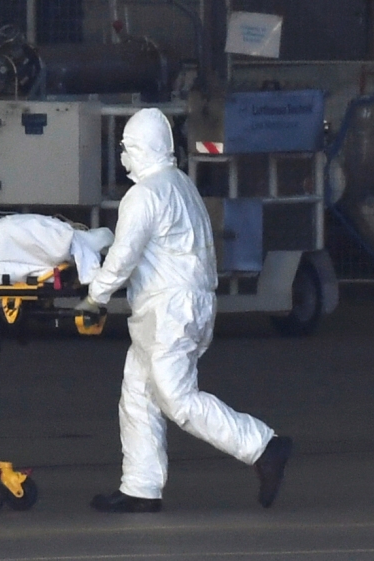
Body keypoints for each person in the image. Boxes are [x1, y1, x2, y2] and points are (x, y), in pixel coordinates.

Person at [74, 107, 293, 513]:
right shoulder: (180, 184)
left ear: (141, 148)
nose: (122, 157)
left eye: (126, 148)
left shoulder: (143, 195)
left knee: (176, 398)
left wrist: (94, 297)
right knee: (138, 394)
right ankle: (140, 486)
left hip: (169, 311)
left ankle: (263, 446)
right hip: (182, 306)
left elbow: (123, 258)